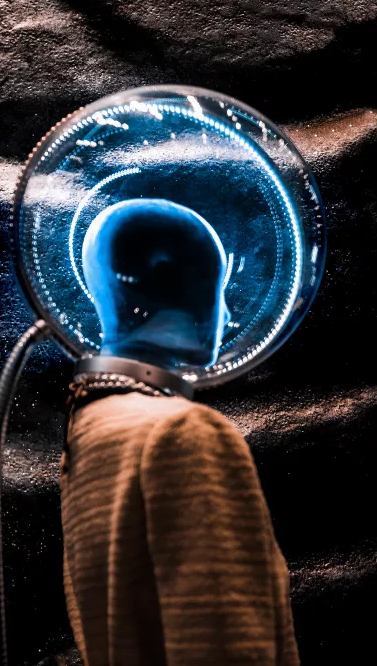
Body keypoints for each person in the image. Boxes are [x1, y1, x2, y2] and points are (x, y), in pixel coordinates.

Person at [60, 198, 300, 666]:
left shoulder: (92, 425)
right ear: (170, 278)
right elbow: (227, 649)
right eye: (219, 286)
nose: (228, 314)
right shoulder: (183, 432)